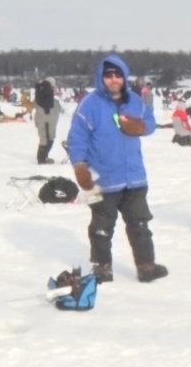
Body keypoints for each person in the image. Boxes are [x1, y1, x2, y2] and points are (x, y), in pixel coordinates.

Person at [67, 55, 168, 284]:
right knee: (101, 227)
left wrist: (139, 126)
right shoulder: (90, 104)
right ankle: (103, 268)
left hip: (134, 177)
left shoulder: (135, 101)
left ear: (124, 77)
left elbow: (150, 123)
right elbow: (77, 138)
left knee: (140, 225)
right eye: (108, 75)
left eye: (117, 75)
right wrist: (80, 167)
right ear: (102, 78)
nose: (113, 80)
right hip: (103, 179)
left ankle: (146, 266)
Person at [33, 77, 62, 164]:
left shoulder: (41, 92)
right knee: (47, 139)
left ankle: (42, 157)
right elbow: (48, 106)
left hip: (43, 119)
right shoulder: (46, 92)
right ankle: (42, 159)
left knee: (45, 138)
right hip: (46, 120)